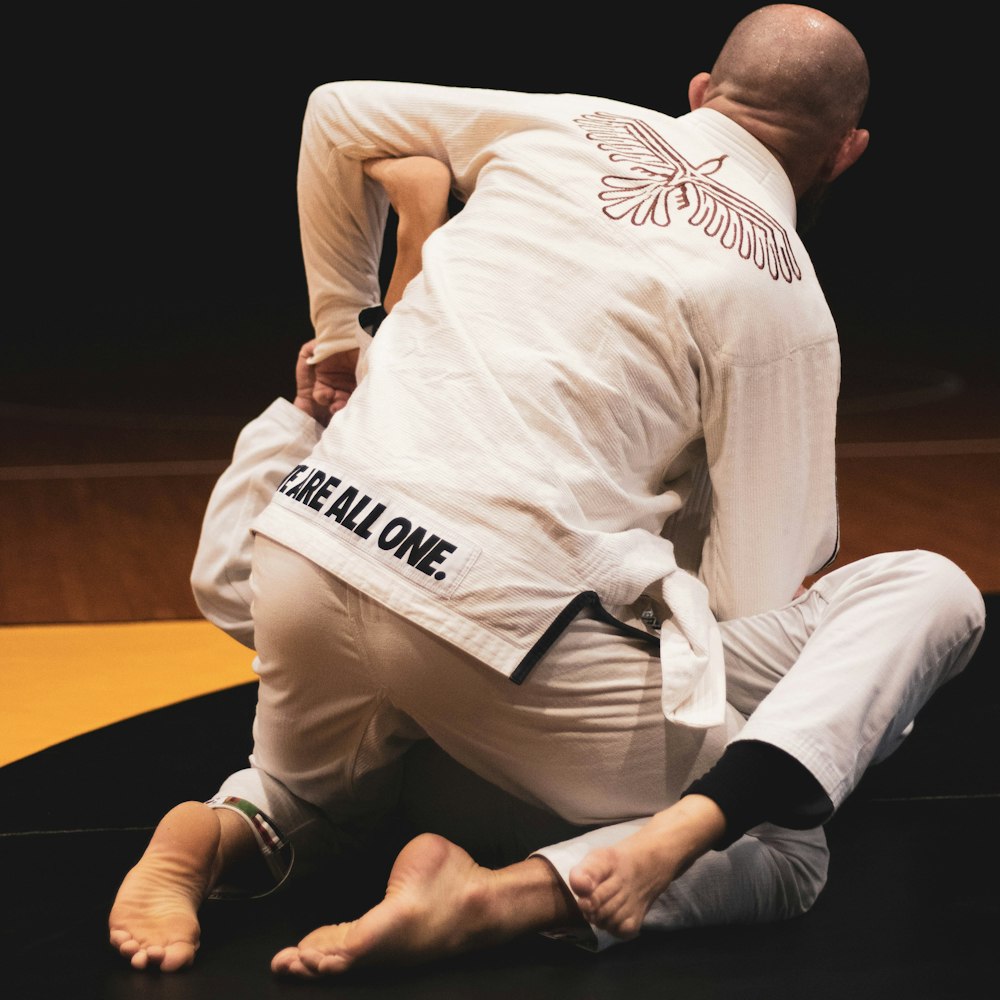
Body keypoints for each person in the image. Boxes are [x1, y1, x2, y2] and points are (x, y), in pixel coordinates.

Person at [108, 4, 986, 978]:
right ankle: (498, 897)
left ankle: (235, 824)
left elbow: (337, 113)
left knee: (349, 786)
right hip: (496, 636)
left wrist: (345, 332)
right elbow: (753, 597)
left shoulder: (568, 123)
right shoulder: (785, 302)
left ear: (701, 91)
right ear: (846, 151)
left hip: (307, 561)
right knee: (780, 837)